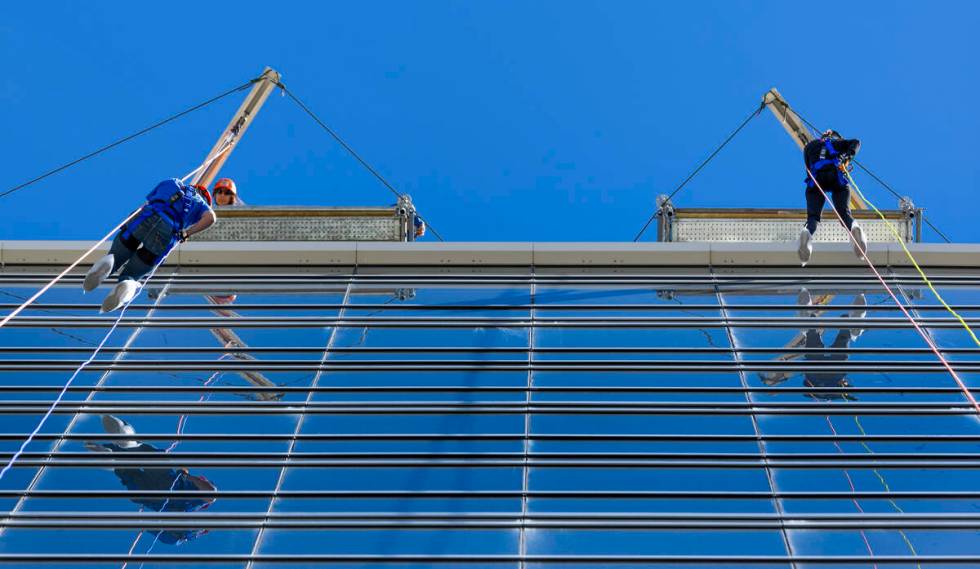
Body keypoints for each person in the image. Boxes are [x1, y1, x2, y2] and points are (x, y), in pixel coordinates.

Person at [83, 179, 216, 312]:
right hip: (166, 234)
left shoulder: (173, 183)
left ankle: (106, 265)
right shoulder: (202, 205)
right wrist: (187, 233)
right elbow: (211, 218)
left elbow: (146, 204)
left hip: (143, 219)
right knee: (134, 273)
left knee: (117, 255)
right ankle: (127, 284)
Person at [85, 415, 215, 545]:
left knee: (142, 454)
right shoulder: (189, 514)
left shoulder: (195, 501)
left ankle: (125, 447)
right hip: (149, 496)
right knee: (126, 470)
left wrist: (186, 476)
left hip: (167, 484)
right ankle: (114, 458)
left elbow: (211, 494)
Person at [765, 288, 867, 400]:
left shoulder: (833, 394)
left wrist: (847, 392)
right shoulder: (816, 393)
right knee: (812, 337)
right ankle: (809, 324)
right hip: (816, 368)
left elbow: (846, 390)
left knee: (842, 339)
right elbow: (807, 385)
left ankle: (850, 328)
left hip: (834, 368)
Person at [798, 130, 866, 265]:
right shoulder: (836, 143)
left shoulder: (809, 146)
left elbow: (807, 166)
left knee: (813, 217)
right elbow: (856, 142)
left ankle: (807, 233)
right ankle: (854, 228)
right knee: (844, 213)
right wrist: (847, 156)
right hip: (835, 176)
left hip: (816, 180)